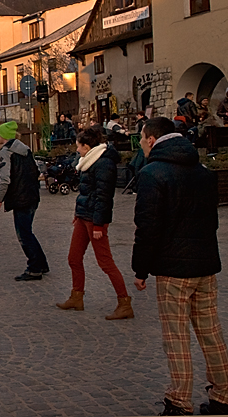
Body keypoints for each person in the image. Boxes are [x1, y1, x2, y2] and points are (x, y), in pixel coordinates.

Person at [132, 117, 228, 416]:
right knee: (211, 332)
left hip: (173, 269)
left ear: (152, 139)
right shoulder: (203, 171)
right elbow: (212, 221)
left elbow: (147, 227)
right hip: (205, 265)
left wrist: (141, 270)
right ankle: (224, 398)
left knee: (176, 336)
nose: (140, 144)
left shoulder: (153, 174)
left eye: (141, 138)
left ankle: (179, 401)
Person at [56, 126, 134, 319]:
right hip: (84, 216)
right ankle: (77, 296)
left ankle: (124, 302)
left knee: (105, 262)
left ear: (88, 146)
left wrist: (99, 224)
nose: (77, 150)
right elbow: (86, 192)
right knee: (73, 257)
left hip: (95, 219)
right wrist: (78, 213)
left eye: (79, 146)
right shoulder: (88, 161)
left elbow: (103, 197)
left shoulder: (103, 164)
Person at [0, 121, 48, 281]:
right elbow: (35, 171)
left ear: (4, 136)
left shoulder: (6, 152)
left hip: (20, 198)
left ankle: (34, 268)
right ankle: (41, 263)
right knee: (28, 231)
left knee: (24, 235)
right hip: (32, 195)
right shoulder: (25, 149)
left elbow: (5, 180)